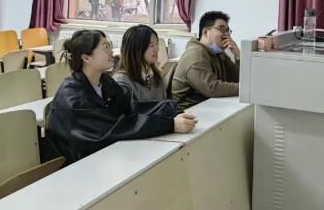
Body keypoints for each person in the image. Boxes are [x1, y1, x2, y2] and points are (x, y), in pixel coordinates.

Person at [46, 29, 197, 164]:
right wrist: (169, 124)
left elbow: (131, 108)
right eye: (105, 47)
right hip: (78, 164)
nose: (111, 51)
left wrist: (170, 110)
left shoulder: (105, 81)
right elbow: (113, 128)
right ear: (86, 58)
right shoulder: (73, 96)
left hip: (102, 154)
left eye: (109, 45)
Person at [172, 11, 240, 109]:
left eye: (227, 31)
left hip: (209, 105)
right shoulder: (195, 54)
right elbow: (212, 88)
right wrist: (244, 89)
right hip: (187, 111)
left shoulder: (219, 54)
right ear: (205, 32)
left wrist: (238, 56)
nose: (226, 35)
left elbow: (236, 79)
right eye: (221, 29)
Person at [113, 24, 166, 102]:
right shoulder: (122, 82)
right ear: (136, 49)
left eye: (157, 44)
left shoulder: (157, 78)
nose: (157, 49)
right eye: (151, 45)